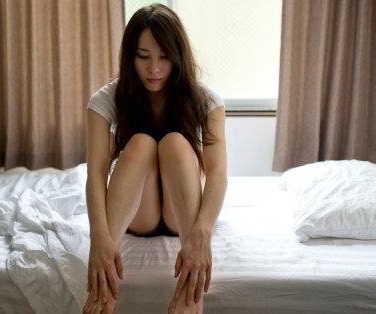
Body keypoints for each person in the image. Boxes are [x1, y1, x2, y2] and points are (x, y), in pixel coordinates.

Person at [83, 3, 227, 314]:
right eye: (143, 57)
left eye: (164, 57)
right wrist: (100, 241)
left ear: (178, 57)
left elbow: (217, 174)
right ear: (129, 57)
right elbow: (95, 174)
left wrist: (202, 234)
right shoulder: (105, 100)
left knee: (175, 143)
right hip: (139, 214)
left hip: (183, 217)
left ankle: (191, 296)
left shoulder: (206, 100)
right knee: (141, 144)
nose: (154, 69)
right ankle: (105, 287)